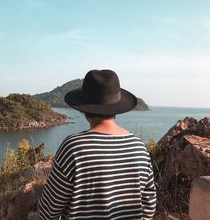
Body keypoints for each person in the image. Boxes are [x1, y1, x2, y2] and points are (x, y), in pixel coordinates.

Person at [38, 69, 156, 220]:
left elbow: (49, 211)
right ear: (117, 108)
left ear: (84, 109)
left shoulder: (73, 147)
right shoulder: (139, 147)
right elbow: (149, 205)